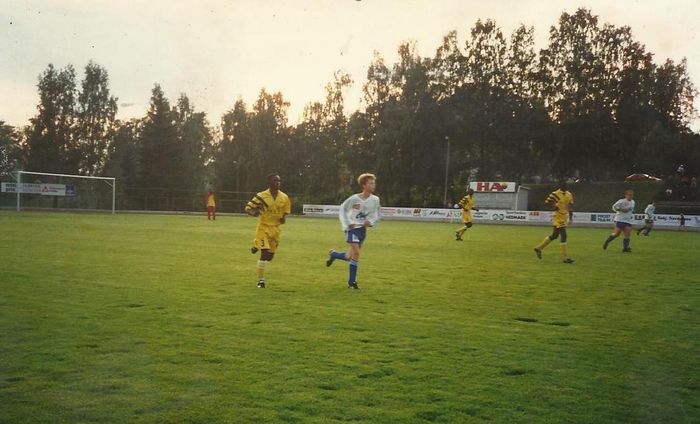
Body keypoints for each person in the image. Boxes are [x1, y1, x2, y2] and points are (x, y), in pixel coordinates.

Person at [326, 173, 381, 290]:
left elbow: (376, 215)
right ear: (364, 185)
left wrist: (370, 222)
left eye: (374, 183)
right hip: (352, 229)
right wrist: (347, 223)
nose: (373, 185)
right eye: (371, 183)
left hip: (362, 230)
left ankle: (333, 254)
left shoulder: (375, 200)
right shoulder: (354, 198)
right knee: (356, 252)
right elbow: (343, 209)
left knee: (348, 257)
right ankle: (352, 283)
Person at [244, 174, 291, 288]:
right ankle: (261, 281)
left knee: (269, 257)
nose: (278, 183)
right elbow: (248, 208)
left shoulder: (284, 197)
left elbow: (285, 211)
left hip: (275, 229)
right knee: (264, 254)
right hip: (263, 228)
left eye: (279, 181)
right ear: (269, 183)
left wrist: (283, 218)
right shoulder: (261, 196)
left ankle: (256, 243)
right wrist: (253, 213)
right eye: (275, 181)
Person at [534, 181, 575, 263]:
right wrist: (553, 207)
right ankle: (565, 258)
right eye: (564, 185)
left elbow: (570, 206)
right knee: (564, 235)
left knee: (555, 235)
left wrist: (570, 217)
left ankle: (539, 248)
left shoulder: (569, 195)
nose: (565, 186)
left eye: (566, 185)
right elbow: (547, 203)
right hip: (557, 217)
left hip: (564, 217)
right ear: (560, 186)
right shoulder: (555, 194)